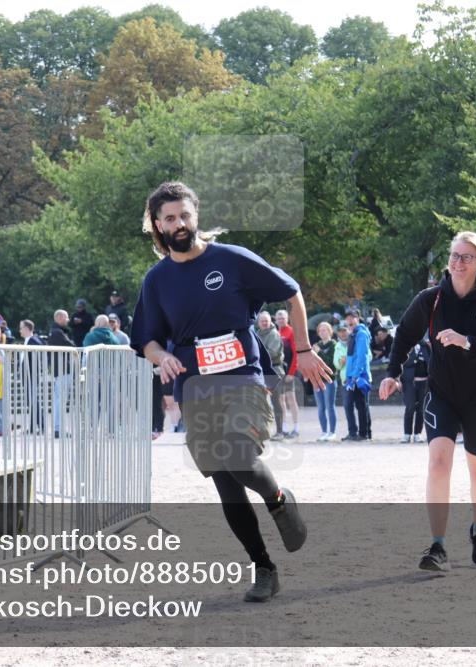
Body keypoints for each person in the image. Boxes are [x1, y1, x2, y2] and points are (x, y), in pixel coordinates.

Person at [131, 181, 329, 603]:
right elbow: (146, 339)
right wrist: (159, 357)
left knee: (238, 455)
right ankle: (264, 569)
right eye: (169, 218)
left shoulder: (233, 259)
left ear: (196, 216)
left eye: (185, 215)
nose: (179, 224)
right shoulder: (157, 280)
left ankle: (277, 498)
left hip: (243, 379)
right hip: (195, 388)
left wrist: (307, 349)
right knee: (225, 481)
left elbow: (291, 292)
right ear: (157, 225)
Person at [379, 231, 476, 573]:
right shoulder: (431, 299)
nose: (458, 262)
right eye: (454, 255)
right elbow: (405, 335)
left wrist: (465, 341)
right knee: (439, 462)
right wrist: (393, 373)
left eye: (466, 257)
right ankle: (437, 546)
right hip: (441, 395)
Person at [254, 311, 285, 440]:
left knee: (276, 402)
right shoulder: (257, 334)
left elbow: (271, 353)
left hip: (274, 372)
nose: (265, 323)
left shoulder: (273, 334)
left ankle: (280, 431)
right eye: (262, 321)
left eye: (266, 321)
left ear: (270, 321)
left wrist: (255, 356)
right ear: (258, 322)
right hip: (262, 372)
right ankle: (264, 430)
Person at [342, 309, 373, 442]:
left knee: (361, 405)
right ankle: (354, 432)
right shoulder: (353, 334)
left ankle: (364, 433)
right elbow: (351, 358)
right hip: (352, 375)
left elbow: (362, 356)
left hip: (360, 376)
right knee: (350, 404)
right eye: (347, 318)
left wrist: (355, 375)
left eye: (352, 318)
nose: (349, 321)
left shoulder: (361, 334)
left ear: (358, 318)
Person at [48, 310, 76, 437]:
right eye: (66, 317)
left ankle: (58, 428)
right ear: (59, 318)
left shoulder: (56, 331)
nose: (68, 319)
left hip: (61, 370)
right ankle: (58, 429)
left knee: (60, 400)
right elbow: (70, 345)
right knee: (61, 400)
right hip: (63, 370)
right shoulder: (57, 333)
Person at [274, 309, 300, 439]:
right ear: (275, 320)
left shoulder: (291, 331)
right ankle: (283, 427)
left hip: (289, 370)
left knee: (291, 399)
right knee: (280, 400)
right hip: (279, 372)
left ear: (287, 319)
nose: (280, 320)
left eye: (283, 318)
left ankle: (296, 428)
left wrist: (292, 372)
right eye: (278, 319)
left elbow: (296, 354)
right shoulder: (275, 332)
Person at [400, 337, 432, 443]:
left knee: (421, 409)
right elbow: (401, 363)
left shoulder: (426, 346)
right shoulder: (406, 345)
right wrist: (398, 379)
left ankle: (417, 433)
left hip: (424, 382)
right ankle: (407, 434)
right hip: (409, 382)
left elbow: (431, 362)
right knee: (410, 407)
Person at [312, 322, 338, 442]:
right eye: (320, 331)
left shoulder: (334, 345)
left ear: (330, 331)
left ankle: (332, 432)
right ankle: (324, 431)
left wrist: (319, 353)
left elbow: (331, 363)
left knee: (329, 406)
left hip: (329, 380)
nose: (322, 332)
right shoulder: (316, 345)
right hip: (317, 380)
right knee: (321, 407)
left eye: (325, 330)